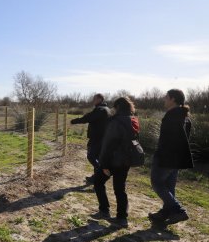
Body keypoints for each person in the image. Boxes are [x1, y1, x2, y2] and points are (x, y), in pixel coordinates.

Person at [148, 89, 193, 225]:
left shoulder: (172, 115)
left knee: (157, 183)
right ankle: (165, 214)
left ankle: (178, 210)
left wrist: (161, 156)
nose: (164, 99)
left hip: (167, 157)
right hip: (177, 159)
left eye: (166, 97)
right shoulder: (184, 116)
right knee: (169, 187)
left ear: (173, 99)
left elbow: (168, 140)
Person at [94, 97, 140, 228]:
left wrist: (104, 165)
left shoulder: (115, 121)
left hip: (113, 160)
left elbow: (108, 144)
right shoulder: (133, 120)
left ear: (118, 107)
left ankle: (104, 211)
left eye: (114, 107)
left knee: (98, 182)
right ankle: (122, 218)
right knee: (120, 188)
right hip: (126, 161)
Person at [70, 93, 111, 183]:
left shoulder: (100, 109)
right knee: (97, 158)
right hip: (103, 138)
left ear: (100, 99)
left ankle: (102, 172)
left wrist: (74, 121)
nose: (93, 100)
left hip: (97, 138)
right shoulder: (106, 109)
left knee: (91, 156)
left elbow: (88, 118)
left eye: (95, 99)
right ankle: (96, 178)